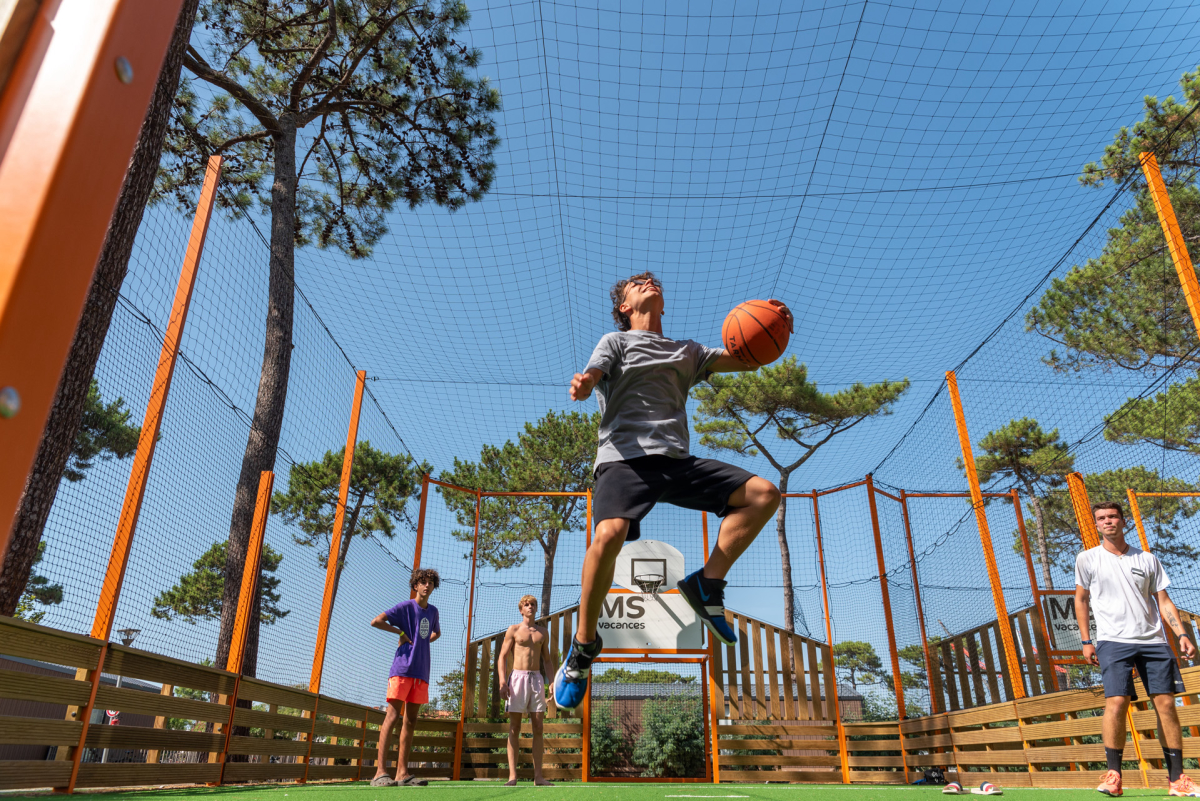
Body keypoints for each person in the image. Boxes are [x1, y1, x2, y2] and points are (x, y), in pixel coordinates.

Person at [554, 271, 788, 711]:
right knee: (608, 535)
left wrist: (774, 327)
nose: (648, 282)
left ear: (664, 300)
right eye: (636, 284)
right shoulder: (615, 342)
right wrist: (585, 384)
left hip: (675, 461)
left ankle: (707, 582)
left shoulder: (690, 351)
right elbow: (592, 374)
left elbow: (748, 358)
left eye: (652, 280)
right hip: (623, 460)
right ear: (624, 307)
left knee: (764, 494)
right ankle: (584, 646)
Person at [1075, 503, 1197, 797]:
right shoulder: (1087, 559)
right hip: (1112, 641)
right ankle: (1114, 776)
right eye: (1102, 518)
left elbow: (1163, 601)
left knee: (1166, 703)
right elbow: (1080, 599)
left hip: (1154, 642)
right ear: (1096, 524)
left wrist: (1180, 632)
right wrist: (1086, 640)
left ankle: (1177, 779)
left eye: (1113, 516)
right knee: (1117, 701)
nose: (1108, 521)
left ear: (1123, 521)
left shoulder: (1147, 559)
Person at [370, 568, 441, 787]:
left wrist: (425, 641)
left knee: (411, 721)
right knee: (392, 717)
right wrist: (400, 633)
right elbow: (377, 621)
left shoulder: (433, 611)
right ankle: (380, 773)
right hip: (401, 670)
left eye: (430, 582)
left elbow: (437, 632)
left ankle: (402, 774)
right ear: (415, 585)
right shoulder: (405, 607)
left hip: (421, 672)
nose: (426, 586)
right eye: (422, 582)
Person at [497, 595, 557, 786]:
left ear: (536, 609)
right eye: (526, 605)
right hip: (517, 679)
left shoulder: (542, 633)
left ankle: (538, 777)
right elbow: (502, 657)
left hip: (537, 679)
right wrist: (502, 682)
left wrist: (552, 682)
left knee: (538, 727)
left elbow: (547, 660)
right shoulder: (513, 630)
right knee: (514, 728)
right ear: (521, 609)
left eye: (533, 605)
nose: (530, 607)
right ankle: (512, 776)